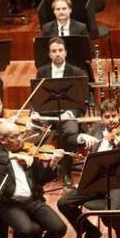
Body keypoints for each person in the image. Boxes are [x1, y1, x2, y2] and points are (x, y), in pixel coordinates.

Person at [57, 99, 120, 238]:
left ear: (119, 115)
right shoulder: (97, 130)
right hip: (96, 181)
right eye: (107, 116)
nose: (111, 119)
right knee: (64, 203)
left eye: (114, 115)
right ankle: (90, 231)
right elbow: (72, 141)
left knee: (113, 209)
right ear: (101, 118)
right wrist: (83, 137)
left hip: (119, 182)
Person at [33, 37, 87, 187]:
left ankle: (66, 172)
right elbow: (36, 97)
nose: (57, 54)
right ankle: (39, 172)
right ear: (49, 54)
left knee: (70, 131)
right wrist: (35, 112)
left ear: (66, 52)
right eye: (54, 51)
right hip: (47, 114)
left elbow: (81, 102)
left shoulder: (76, 72)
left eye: (60, 50)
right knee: (33, 130)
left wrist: (69, 114)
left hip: (67, 114)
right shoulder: (42, 71)